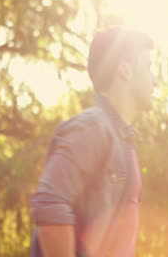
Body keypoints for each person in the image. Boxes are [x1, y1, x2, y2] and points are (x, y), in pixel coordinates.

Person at [30, 26, 156, 257]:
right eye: (148, 66)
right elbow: (50, 205)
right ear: (125, 70)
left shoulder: (122, 139)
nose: (155, 79)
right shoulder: (92, 128)